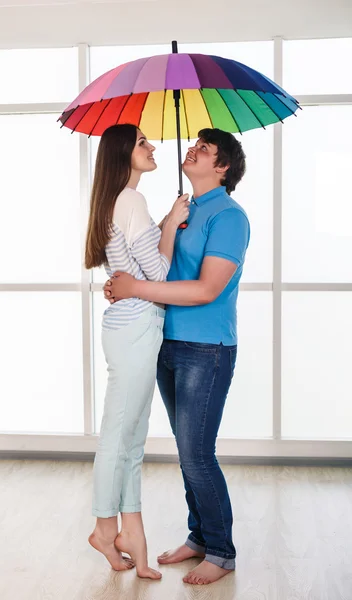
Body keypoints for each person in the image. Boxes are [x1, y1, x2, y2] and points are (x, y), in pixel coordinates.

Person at [104, 128, 249, 586]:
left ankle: (221, 551)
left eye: (204, 149)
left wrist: (134, 288)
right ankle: (200, 536)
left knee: (197, 454)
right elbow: (154, 263)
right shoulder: (185, 210)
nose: (193, 150)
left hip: (207, 349)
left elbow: (207, 289)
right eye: (195, 144)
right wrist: (166, 226)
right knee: (188, 455)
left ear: (222, 167)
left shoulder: (229, 216)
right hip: (167, 342)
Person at [86, 123, 190, 579]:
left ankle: (130, 532)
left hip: (131, 326)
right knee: (119, 436)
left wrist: (165, 222)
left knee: (130, 439)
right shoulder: (131, 201)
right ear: (123, 151)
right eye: (143, 142)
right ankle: (105, 528)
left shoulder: (119, 200)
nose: (152, 148)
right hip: (135, 328)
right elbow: (160, 275)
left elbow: (138, 274)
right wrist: (169, 224)